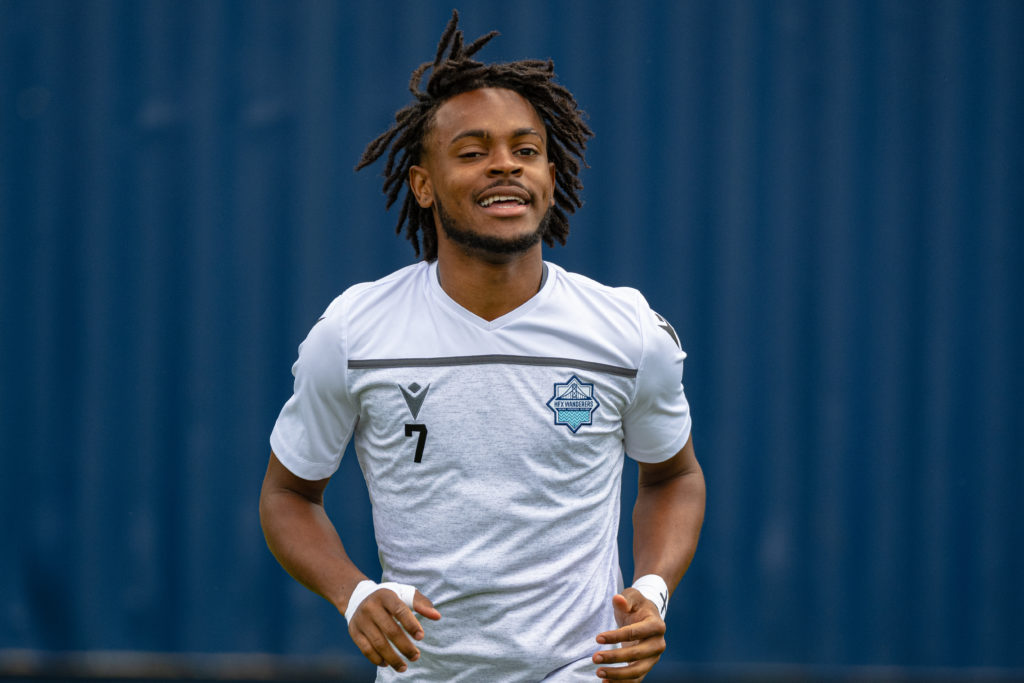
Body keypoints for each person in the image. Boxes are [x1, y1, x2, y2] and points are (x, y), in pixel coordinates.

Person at [259, 11, 705, 682]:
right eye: (473, 152)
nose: (505, 165)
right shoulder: (355, 332)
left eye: (526, 150)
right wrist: (353, 592)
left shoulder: (626, 330)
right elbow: (287, 495)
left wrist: (653, 589)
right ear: (423, 184)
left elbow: (673, 475)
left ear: (551, 176)